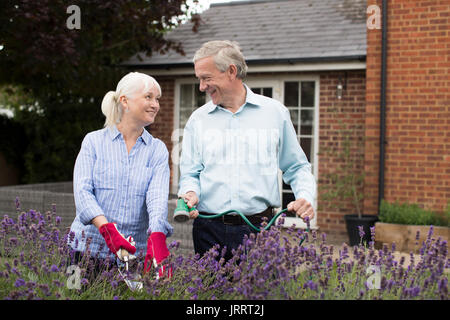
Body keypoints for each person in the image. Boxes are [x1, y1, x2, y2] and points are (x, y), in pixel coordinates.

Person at [178, 40, 316, 261]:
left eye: (206, 78)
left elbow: (297, 166)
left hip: (259, 230)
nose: (202, 87)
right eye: (199, 79)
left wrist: (305, 196)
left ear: (231, 71)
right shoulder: (198, 120)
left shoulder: (275, 113)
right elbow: (190, 174)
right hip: (207, 231)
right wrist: (191, 192)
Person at [68, 72, 172, 279]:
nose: (155, 105)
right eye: (148, 97)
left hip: (133, 255)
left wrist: (158, 236)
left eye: (157, 99)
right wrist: (107, 231)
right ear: (124, 101)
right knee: (74, 294)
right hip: (84, 250)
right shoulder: (93, 142)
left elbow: (157, 197)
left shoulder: (157, 150)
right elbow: (82, 192)